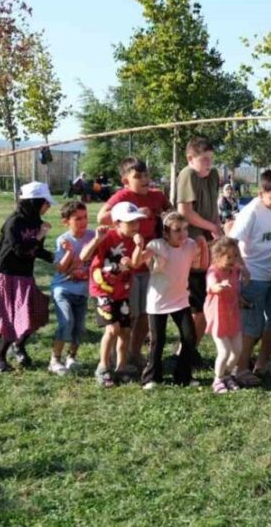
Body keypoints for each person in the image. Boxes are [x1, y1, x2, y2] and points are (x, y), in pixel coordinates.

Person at [0, 182, 56, 374]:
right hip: (7, 275)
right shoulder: (14, 222)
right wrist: (40, 234)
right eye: (45, 202)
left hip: (25, 276)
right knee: (12, 318)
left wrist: (57, 258)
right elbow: (20, 250)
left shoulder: (37, 222)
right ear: (34, 202)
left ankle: (19, 345)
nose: (48, 206)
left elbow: (36, 251)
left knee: (35, 313)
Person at [98, 158, 172, 374]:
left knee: (145, 313)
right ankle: (112, 358)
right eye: (138, 177)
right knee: (128, 313)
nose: (145, 180)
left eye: (146, 175)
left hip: (150, 266)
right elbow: (102, 217)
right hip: (126, 267)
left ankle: (135, 352)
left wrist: (163, 215)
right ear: (125, 181)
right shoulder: (123, 197)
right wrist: (133, 212)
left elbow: (172, 213)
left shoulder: (157, 195)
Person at [228, 169, 271, 386]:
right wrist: (242, 268)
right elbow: (231, 241)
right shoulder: (251, 212)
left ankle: (262, 363)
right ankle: (240, 369)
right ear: (261, 192)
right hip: (253, 278)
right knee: (251, 327)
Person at [136, 212, 207, 389]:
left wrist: (204, 246)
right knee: (157, 340)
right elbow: (137, 262)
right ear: (166, 232)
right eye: (177, 230)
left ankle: (183, 376)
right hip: (158, 301)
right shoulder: (158, 245)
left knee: (189, 337)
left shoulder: (189, 245)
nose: (183, 234)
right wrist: (139, 246)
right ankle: (152, 378)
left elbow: (201, 266)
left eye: (185, 229)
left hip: (180, 299)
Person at [89, 201, 148, 387]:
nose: (135, 226)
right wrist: (96, 240)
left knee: (125, 331)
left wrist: (139, 247)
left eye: (137, 222)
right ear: (117, 223)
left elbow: (136, 264)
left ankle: (121, 368)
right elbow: (83, 257)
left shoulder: (134, 240)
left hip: (123, 290)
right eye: (130, 222)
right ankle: (103, 366)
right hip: (103, 289)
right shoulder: (107, 236)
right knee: (112, 329)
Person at [174, 137, 220, 363]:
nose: (209, 164)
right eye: (204, 160)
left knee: (205, 302)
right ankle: (183, 351)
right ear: (190, 158)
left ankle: (191, 349)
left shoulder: (213, 175)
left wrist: (218, 227)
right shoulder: (187, 174)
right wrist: (211, 226)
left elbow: (214, 209)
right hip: (190, 248)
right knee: (195, 304)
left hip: (210, 246)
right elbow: (185, 212)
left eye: (211, 159)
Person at [48, 200, 95, 376]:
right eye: (77, 219)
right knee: (66, 322)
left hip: (82, 291)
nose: (83, 222)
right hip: (63, 289)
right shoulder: (64, 240)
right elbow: (61, 268)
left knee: (79, 328)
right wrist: (68, 252)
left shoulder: (92, 236)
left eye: (85, 218)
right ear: (66, 221)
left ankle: (71, 357)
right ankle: (55, 360)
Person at [204, 237, 245, 394]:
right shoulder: (213, 271)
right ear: (217, 257)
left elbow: (236, 286)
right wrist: (219, 286)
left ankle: (228, 375)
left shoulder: (234, 269)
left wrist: (245, 273)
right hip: (218, 316)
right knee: (224, 351)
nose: (233, 260)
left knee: (237, 351)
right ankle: (218, 379)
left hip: (232, 314)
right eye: (229, 256)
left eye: (235, 255)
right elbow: (212, 286)